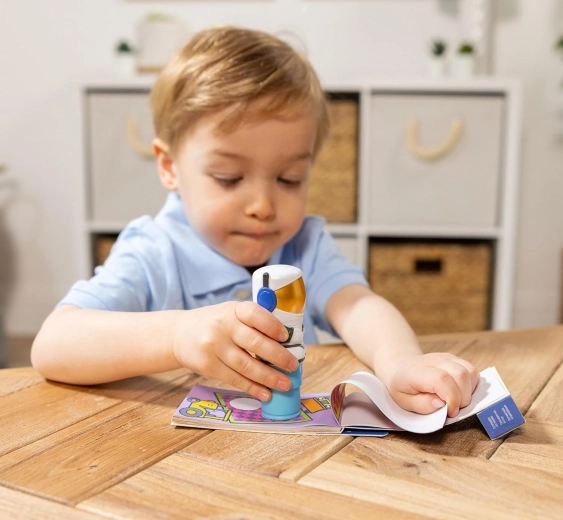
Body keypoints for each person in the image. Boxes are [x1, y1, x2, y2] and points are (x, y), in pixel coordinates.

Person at [31, 26, 478, 417]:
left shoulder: (305, 245)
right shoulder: (154, 251)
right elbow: (53, 343)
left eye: (289, 179)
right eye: (228, 178)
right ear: (169, 166)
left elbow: (359, 307)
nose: (263, 205)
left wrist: (399, 362)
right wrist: (177, 335)